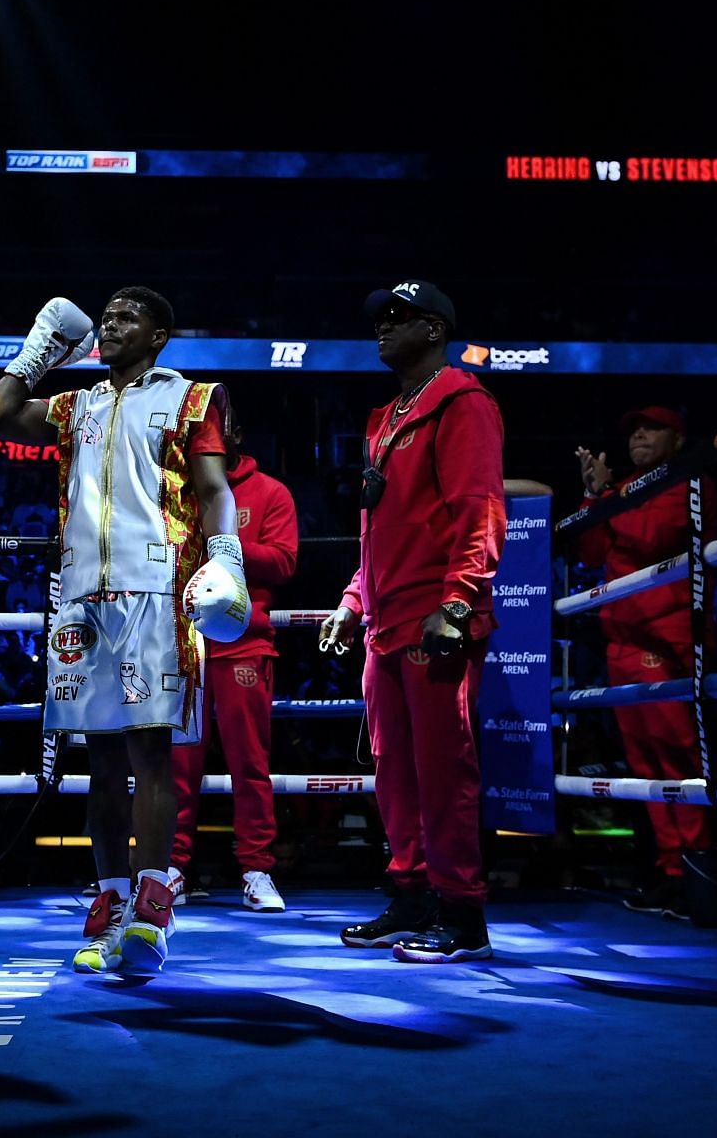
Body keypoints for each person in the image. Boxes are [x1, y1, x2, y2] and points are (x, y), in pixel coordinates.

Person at [0, 287, 246, 974]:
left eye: (127, 317)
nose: (110, 325)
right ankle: (111, 903)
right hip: (80, 596)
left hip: (155, 588)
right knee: (99, 763)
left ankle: (153, 912)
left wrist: (227, 559)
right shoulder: (77, 406)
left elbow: (215, 488)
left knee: (151, 755)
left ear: (160, 335)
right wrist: (38, 350)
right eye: (106, 317)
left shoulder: (192, 397)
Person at [320, 280, 506, 963]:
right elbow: (380, 533)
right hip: (385, 621)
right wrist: (352, 598)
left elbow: (478, 507)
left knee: (442, 770)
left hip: (435, 616)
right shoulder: (387, 418)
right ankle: (412, 896)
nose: (383, 329)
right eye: (381, 319)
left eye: (400, 319)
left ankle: (463, 916)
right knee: (394, 772)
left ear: (435, 329)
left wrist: (457, 602)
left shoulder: (463, 403)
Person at [573, 406, 717, 913]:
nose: (638, 433)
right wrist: (596, 496)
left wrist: (616, 500)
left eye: (651, 427)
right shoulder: (622, 491)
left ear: (677, 439)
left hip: (665, 638)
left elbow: (655, 539)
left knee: (677, 757)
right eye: (633, 427)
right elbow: (590, 553)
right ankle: (669, 871)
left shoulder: (685, 483)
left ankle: (696, 871)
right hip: (623, 639)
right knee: (644, 764)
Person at [169, 401, 299, 912]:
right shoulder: (176, 489)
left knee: (250, 764)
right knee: (178, 766)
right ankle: (171, 870)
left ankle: (257, 870)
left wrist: (225, 546)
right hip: (182, 644)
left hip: (245, 644)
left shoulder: (270, 493)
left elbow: (285, 561)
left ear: (235, 432)